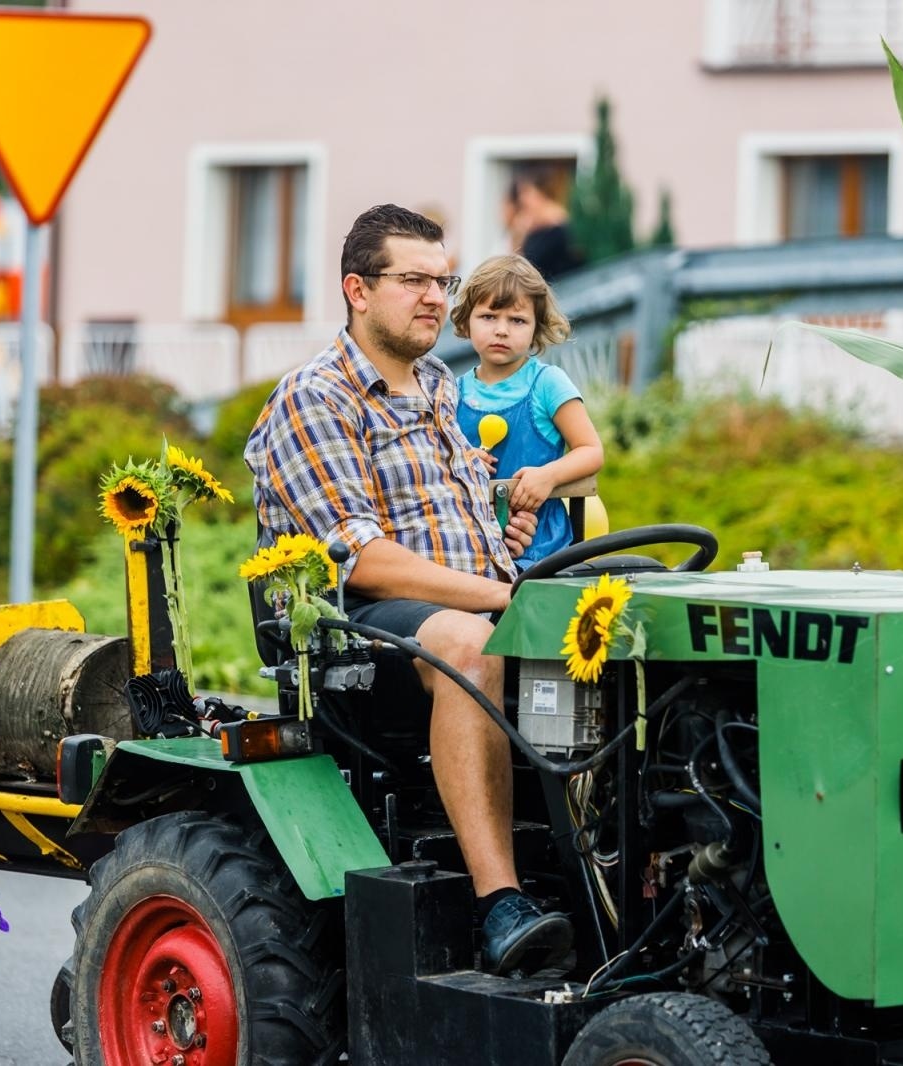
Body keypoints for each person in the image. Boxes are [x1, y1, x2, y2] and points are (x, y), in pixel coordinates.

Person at [244, 204, 574, 976]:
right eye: (415, 280)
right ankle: (501, 903)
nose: (436, 296)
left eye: (442, 278)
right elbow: (362, 556)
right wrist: (494, 597)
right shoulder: (315, 397)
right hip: (361, 633)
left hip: (472, 601)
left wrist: (507, 553)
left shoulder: (437, 385)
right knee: (470, 642)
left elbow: (452, 517)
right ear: (358, 290)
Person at [452, 255, 603, 566]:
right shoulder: (451, 392)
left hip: (541, 544)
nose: (502, 330)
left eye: (517, 320)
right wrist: (461, 460)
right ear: (466, 321)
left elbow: (591, 451)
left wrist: (548, 476)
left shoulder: (548, 384)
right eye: (489, 317)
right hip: (469, 540)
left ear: (536, 329)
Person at [505, 169, 583, 281]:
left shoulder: (559, 226)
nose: (522, 199)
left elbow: (530, 264)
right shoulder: (531, 226)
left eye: (526, 192)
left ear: (541, 192)